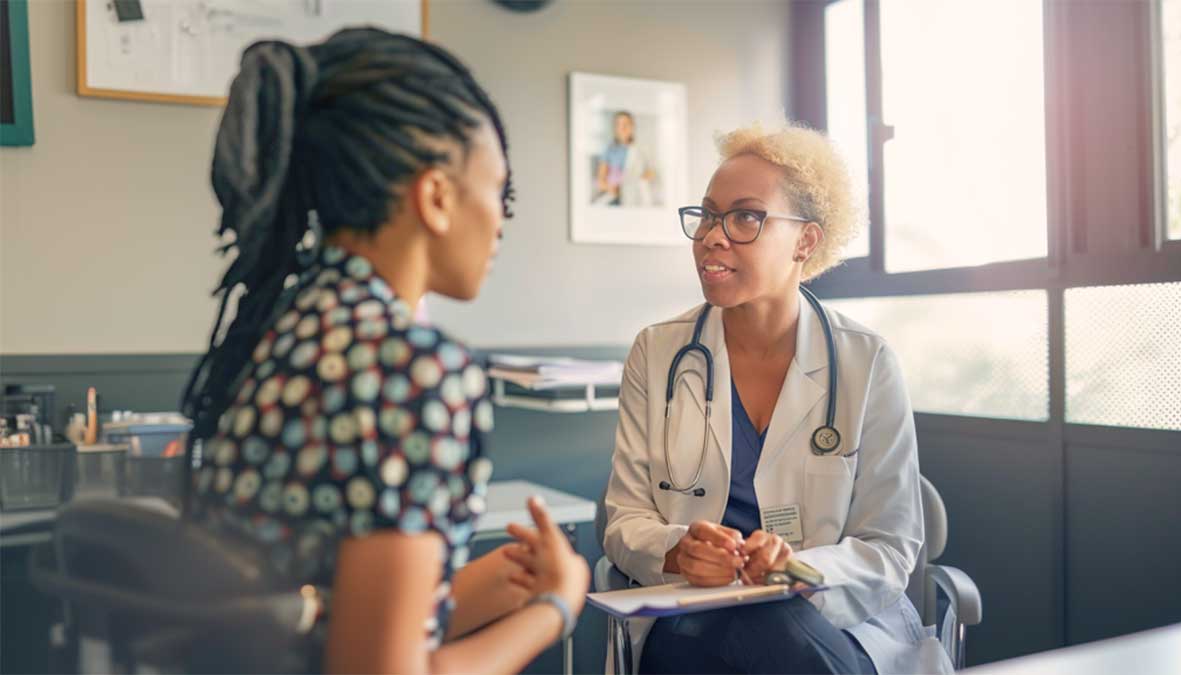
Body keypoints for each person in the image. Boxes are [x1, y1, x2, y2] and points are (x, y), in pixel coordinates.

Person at [181, 28, 589, 674]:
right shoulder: (413, 370)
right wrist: (557, 608)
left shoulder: (282, 328)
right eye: (496, 188)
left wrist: (502, 584)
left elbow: (330, 618)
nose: (501, 220)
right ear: (435, 196)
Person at [602, 124, 953, 674]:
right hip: (689, 614)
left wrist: (796, 570)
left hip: (831, 621)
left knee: (769, 618)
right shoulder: (657, 353)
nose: (712, 236)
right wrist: (678, 550)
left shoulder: (867, 363)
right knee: (738, 625)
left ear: (805, 242)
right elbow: (625, 520)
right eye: (708, 215)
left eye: (745, 217)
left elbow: (888, 547)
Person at [595, 111, 656, 206]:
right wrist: (610, 188)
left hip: (636, 198)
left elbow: (651, 173)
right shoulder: (609, 150)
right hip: (614, 198)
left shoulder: (641, 149)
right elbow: (600, 181)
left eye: (626, 124)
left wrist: (643, 178)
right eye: (619, 124)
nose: (622, 128)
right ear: (615, 128)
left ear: (632, 126)